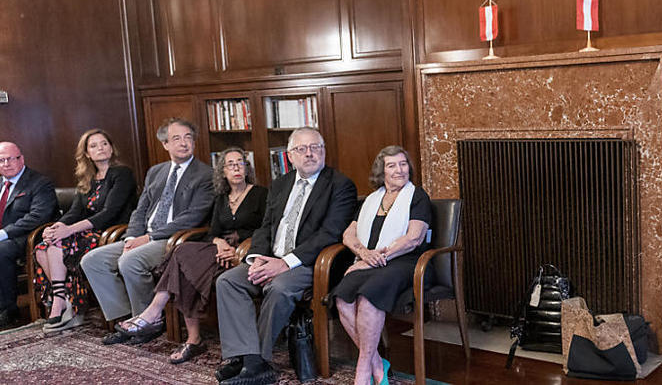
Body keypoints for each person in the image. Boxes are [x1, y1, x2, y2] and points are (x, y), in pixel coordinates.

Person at [214, 127, 357, 385]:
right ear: (290, 155)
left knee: (279, 287)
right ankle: (245, 357)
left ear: (324, 151)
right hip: (271, 257)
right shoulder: (280, 184)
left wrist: (284, 263)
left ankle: (256, 363)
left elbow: (330, 233)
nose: (310, 154)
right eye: (302, 149)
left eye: (316, 147)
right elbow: (266, 227)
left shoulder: (340, 185)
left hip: (309, 263)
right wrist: (256, 258)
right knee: (228, 281)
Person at [117, 147, 266, 363]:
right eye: (230, 164)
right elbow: (212, 232)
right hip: (219, 250)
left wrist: (240, 250)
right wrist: (220, 242)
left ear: (246, 168)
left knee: (185, 264)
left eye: (240, 163)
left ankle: (177, 328)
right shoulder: (221, 198)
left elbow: (265, 230)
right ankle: (178, 327)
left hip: (244, 251)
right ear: (222, 172)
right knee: (182, 253)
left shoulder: (261, 194)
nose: (236, 168)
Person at [80, 118, 214, 345]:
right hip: (143, 237)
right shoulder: (156, 171)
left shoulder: (205, 174)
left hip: (172, 240)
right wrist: (132, 237)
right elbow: (140, 210)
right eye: (176, 139)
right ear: (165, 145)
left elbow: (193, 217)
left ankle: (149, 323)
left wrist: (149, 237)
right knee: (92, 260)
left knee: (130, 261)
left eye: (188, 138)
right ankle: (126, 319)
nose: (183, 143)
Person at [332, 146, 433, 385]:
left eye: (403, 164)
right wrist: (364, 255)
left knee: (368, 296)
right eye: (392, 165)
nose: (399, 170)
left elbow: (414, 238)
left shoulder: (417, 196)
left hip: (408, 262)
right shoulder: (371, 200)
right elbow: (348, 234)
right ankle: (378, 363)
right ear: (382, 171)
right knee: (342, 297)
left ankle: (363, 370)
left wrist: (377, 259)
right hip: (372, 262)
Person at [34, 129, 138, 334]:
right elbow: (74, 212)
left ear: (111, 147)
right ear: (87, 154)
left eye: (104, 143)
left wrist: (68, 231)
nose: (100, 148)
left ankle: (60, 304)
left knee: (59, 244)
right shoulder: (87, 178)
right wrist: (54, 228)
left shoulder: (122, 174)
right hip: (86, 232)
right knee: (41, 246)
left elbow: (110, 213)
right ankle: (64, 299)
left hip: (110, 233)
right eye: (94, 145)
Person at [0, 141, 58, 328]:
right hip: (5, 236)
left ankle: (7, 309)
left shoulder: (39, 183)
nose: (6, 164)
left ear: (21, 159)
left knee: (1, 249)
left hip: (27, 236)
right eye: (1, 160)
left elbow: (38, 216)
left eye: (10, 159)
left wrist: (4, 233)